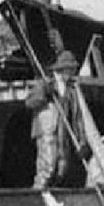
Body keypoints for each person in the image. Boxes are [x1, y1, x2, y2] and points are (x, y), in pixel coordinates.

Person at [25, 49, 77, 189]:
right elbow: (29, 103)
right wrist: (44, 94)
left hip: (61, 131)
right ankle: (38, 191)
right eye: (70, 70)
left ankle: (52, 193)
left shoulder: (69, 88)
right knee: (48, 165)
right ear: (63, 70)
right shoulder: (45, 83)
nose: (71, 74)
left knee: (62, 167)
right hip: (46, 129)